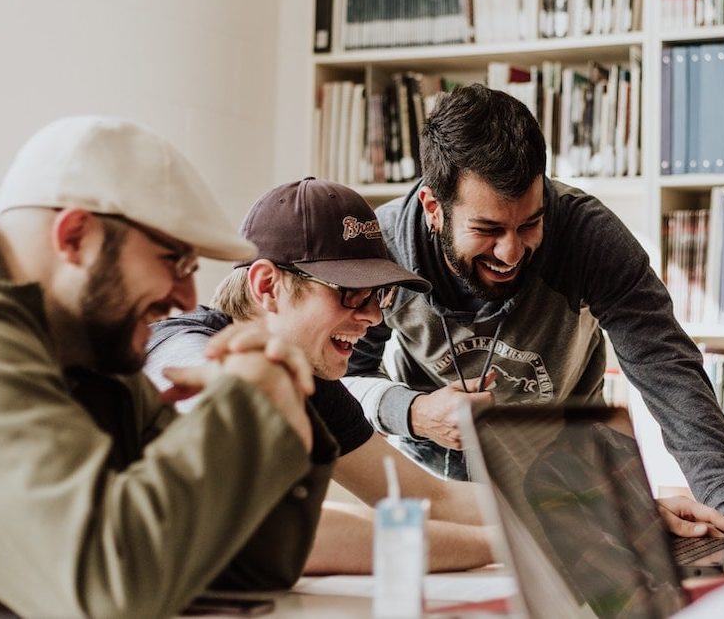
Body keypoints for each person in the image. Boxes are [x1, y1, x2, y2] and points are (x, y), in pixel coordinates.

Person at [0, 117, 336, 618]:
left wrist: (280, 402)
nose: (186, 298)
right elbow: (108, 588)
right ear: (75, 237)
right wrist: (249, 403)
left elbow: (244, 567)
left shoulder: (90, 347)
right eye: (175, 261)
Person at [344, 83, 724, 517]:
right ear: (433, 208)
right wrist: (414, 412)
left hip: (571, 484)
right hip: (436, 491)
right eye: (488, 230)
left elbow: (668, 370)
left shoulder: (589, 236)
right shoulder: (382, 250)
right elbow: (343, 380)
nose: (511, 252)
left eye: (530, 224)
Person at [145, 177, 494, 574]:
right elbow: (273, 529)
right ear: (267, 286)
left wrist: (545, 511)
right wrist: (503, 545)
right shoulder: (184, 353)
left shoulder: (307, 378)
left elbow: (427, 498)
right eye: (351, 293)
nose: (373, 317)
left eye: (378, 295)